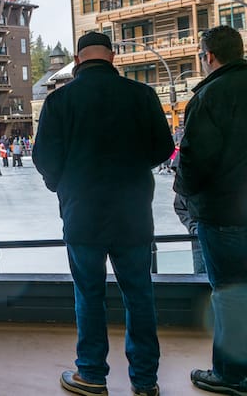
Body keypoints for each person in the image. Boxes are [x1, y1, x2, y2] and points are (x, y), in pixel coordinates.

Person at [32, 31, 173, 396]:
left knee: (89, 294)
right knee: (139, 296)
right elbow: (163, 147)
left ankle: (92, 375)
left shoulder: (59, 101)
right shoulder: (141, 95)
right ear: (112, 58)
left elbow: (44, 157)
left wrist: (63, 185)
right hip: (132, 215)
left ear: (78, 61)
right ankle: (144, 381)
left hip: (82, 213)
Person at [173, 25, 247, 395]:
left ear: (209, 57)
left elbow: (195, 160)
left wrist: (185, 196)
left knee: (230, 294)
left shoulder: (208, 97)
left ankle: (231, 375)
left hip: (224, 216)